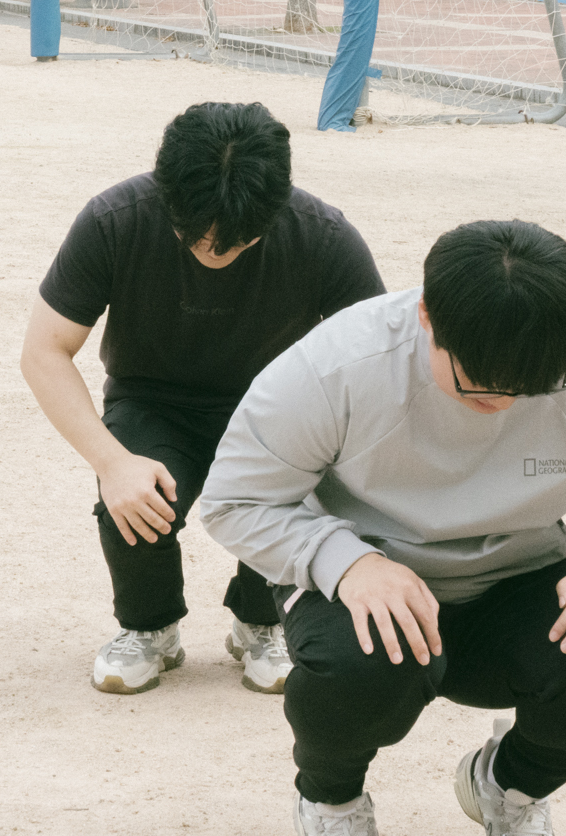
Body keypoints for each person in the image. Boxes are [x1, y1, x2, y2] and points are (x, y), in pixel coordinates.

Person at [200, 220, 566, 836]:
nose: (500, 401)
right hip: (362, 574)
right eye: (476, 383)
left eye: (529, 389)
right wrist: (346, 563)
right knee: (356, 670)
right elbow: (235, 499)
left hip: (520, 574)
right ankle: (331, 802)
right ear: (427, 316)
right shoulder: (335, 364)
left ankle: (507, 785)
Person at [21, 101, 386, 697]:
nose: (214, 250)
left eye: (237, 239)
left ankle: (262, 621)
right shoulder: (116, 219)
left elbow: (377, 366)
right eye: (197, 233)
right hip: (153, 399)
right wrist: (112, 462)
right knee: (135, 497)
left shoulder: (322, 235)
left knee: (295, 493)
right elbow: (44, 351)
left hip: (277, 408)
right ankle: (151, 628)